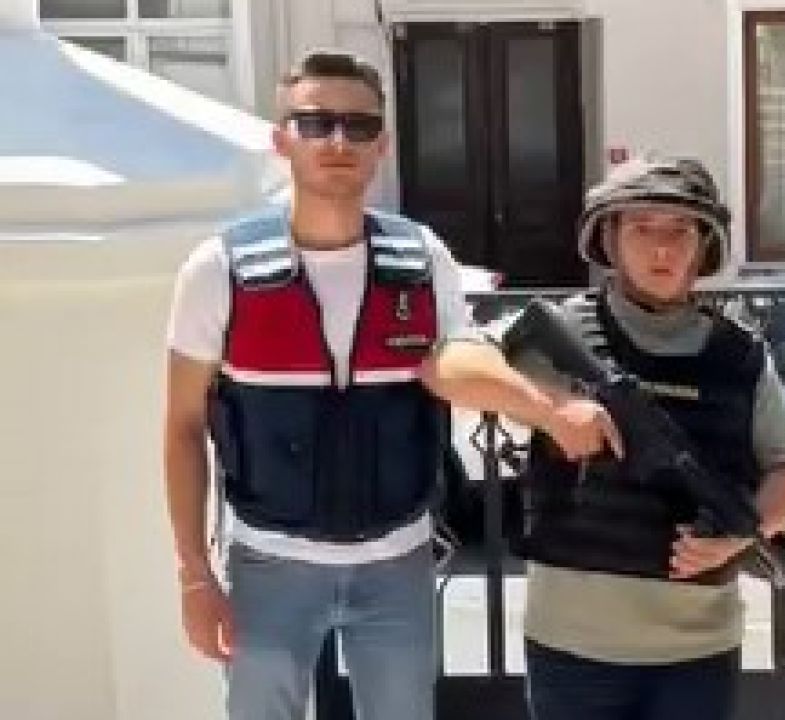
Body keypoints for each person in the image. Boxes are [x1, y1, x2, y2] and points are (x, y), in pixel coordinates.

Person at [162, 49, 619, 720]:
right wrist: (194, 577)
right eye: (315, 123)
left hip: (396, 564)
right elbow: (181, 428)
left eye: (359, 125)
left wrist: (551, 410)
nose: (337, 141)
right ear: (281, 139)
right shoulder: (219, 270)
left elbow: (457, 360)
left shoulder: (421, 259)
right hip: (268, 562)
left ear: (383, 144)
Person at [506, 156, 785, 720]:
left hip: (697, 650)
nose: (662, 248)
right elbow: (458, 370)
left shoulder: (739, 356)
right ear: (610, 238)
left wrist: (743, 533)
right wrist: (553, 411)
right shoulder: (562, 334)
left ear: (704, 245)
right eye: (642, 228)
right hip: (573, 644)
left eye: (680, 231)